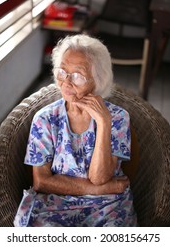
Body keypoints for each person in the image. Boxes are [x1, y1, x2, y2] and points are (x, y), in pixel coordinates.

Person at [14, 34, 137, 227]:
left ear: (98, 79)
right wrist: (98, 189)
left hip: (108, 206)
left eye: (77, 75)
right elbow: (41, 182)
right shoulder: (45, 119)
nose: (66, 82)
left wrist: (104, 123)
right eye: (62, 72)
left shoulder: (118, 118)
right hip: (55, 204)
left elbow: (100, 177)